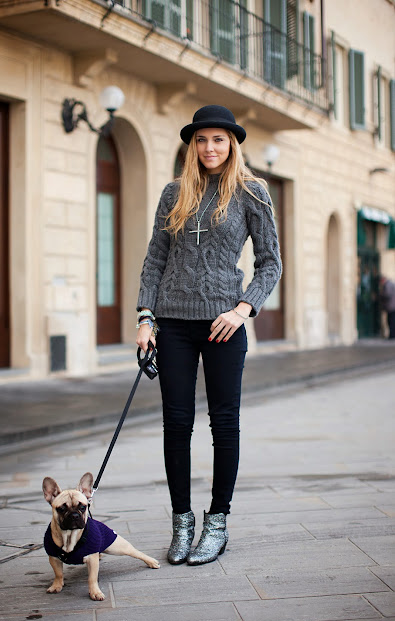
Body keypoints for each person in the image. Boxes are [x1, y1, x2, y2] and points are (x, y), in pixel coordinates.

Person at [136, 105, 282, 566]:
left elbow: (270, 263)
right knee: (177, 424)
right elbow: (155, 259)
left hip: (224, 325)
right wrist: (145, 317)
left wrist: (243, 309)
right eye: (201, 140)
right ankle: (182, 522)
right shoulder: (174, 192)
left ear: (232, 144)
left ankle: (217, 522)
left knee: (224, 423)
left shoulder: (252, 193)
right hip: (173, 324)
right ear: (192, 145)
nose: (209, 148)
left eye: (218, 139)